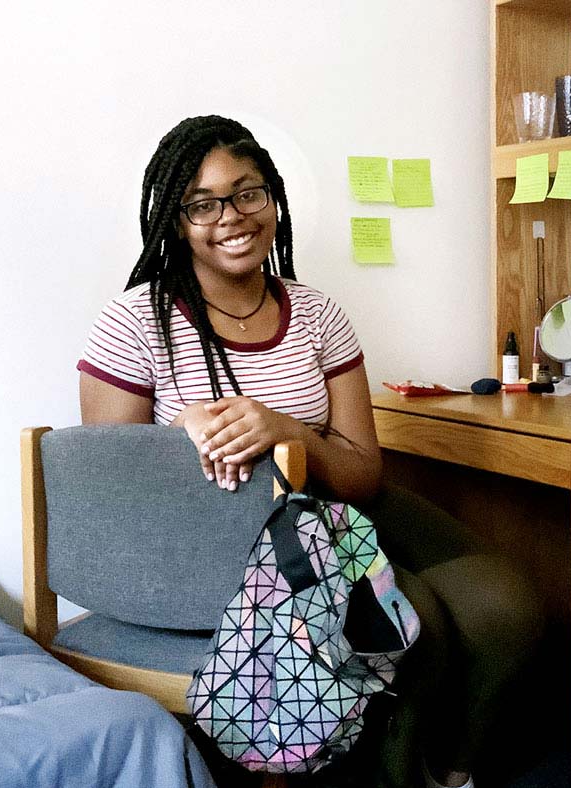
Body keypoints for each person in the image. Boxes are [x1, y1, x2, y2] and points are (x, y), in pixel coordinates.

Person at [76, 115, 543, 788]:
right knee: (416, 620)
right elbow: (112, 492)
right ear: (175, 221)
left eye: (247, 193)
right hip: (228, 547)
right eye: (202, 204)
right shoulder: (135, 322)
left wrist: (290, 432)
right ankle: (398, 776)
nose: (231, 216)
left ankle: (451, 772)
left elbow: (361, 469)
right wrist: (180, 435)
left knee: (507, 606)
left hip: (338, 512)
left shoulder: (319, 314)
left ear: (273, 199)